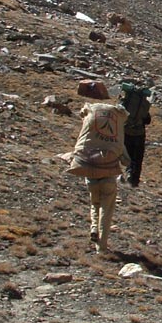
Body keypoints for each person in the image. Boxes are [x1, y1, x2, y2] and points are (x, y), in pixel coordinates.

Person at [63, 101, 131, 254]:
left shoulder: (90, 133)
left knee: (95, 204)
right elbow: (126, 161)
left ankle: (94, 228)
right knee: (106, 211)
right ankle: (102, 247)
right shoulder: (117, 139)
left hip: (90, 175)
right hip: (108, 177)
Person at [119, 80, 152, 186]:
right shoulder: (144, 104)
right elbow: (147, 120)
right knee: (136, 158)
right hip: (139, 133)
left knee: (122, 154)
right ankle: (133, 180)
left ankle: (118, 174)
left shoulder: (126, 101)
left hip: (125, 131)